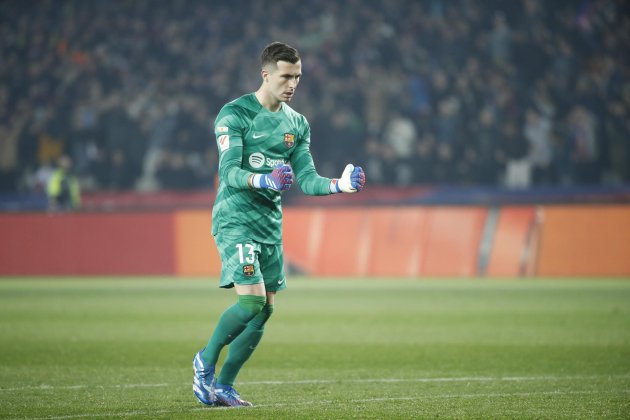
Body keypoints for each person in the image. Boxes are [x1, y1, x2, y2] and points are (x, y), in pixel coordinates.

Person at [192, 42, 366, 408]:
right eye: (286, 76)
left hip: (270, 225)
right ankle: (204, 361)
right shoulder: (234, 114)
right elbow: (229, 173)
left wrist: (339, 185)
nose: (292, 84)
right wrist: (265, 180)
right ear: (266, 74)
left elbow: (307, 179)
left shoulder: (297, 124)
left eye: (298, 77)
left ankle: (224, 385)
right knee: (252, 303)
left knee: (266, 308)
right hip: (235, 217)